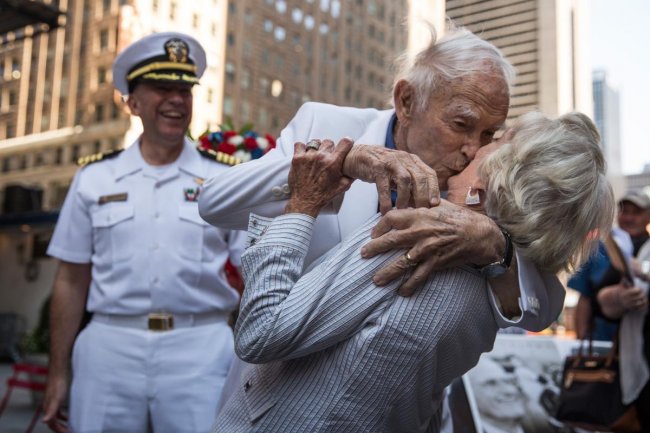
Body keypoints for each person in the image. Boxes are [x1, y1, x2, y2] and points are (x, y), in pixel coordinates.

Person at [212, 111, 614, 432]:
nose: (476, 147)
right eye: (465, 126)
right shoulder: (497, 272)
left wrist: (301, 203)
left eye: (497, 139)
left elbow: (261, 333)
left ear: (506, 173)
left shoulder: (421, 233)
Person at [42, 32, 246, 433]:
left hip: (200, 346)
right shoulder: (94, 178)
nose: (176, 99)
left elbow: (256, 271)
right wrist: (57, 371)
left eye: (184, 90)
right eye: (161, 88)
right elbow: (70, 279)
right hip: (109, 346)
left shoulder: (224, 178)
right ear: (132, 102)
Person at [569, 191, 649, 341]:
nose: (629, 218)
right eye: (625, 211)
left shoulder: (647, 249)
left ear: (648, 216)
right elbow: (585, 298)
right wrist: (581, 337)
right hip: (601, 339)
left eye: (636, 213)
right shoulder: (599, 248)